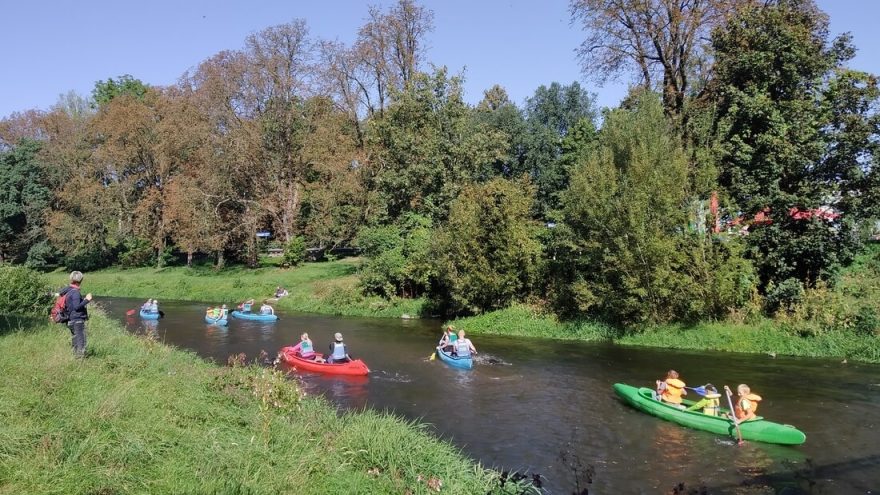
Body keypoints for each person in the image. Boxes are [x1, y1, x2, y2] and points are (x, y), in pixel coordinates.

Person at [59, 271, 93, 358]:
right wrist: (87, 300)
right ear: (81, 280)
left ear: (71, 279)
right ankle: (80, 361)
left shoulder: (68, 291)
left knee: (75, 341)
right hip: (77, 320)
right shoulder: (75, 292)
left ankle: (75, 358)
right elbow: (77, 307)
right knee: (81, 342)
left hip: (70, 320)